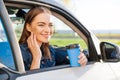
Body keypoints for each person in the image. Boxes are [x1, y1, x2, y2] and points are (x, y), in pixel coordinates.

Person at [19, 7, 87, 70]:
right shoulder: (18, 52)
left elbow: (74, 54)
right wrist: (37, 57)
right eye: (41, 25)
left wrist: (82, 58)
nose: (48, 30)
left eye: (50, 25)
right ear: (28, 27)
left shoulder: (49, 50)